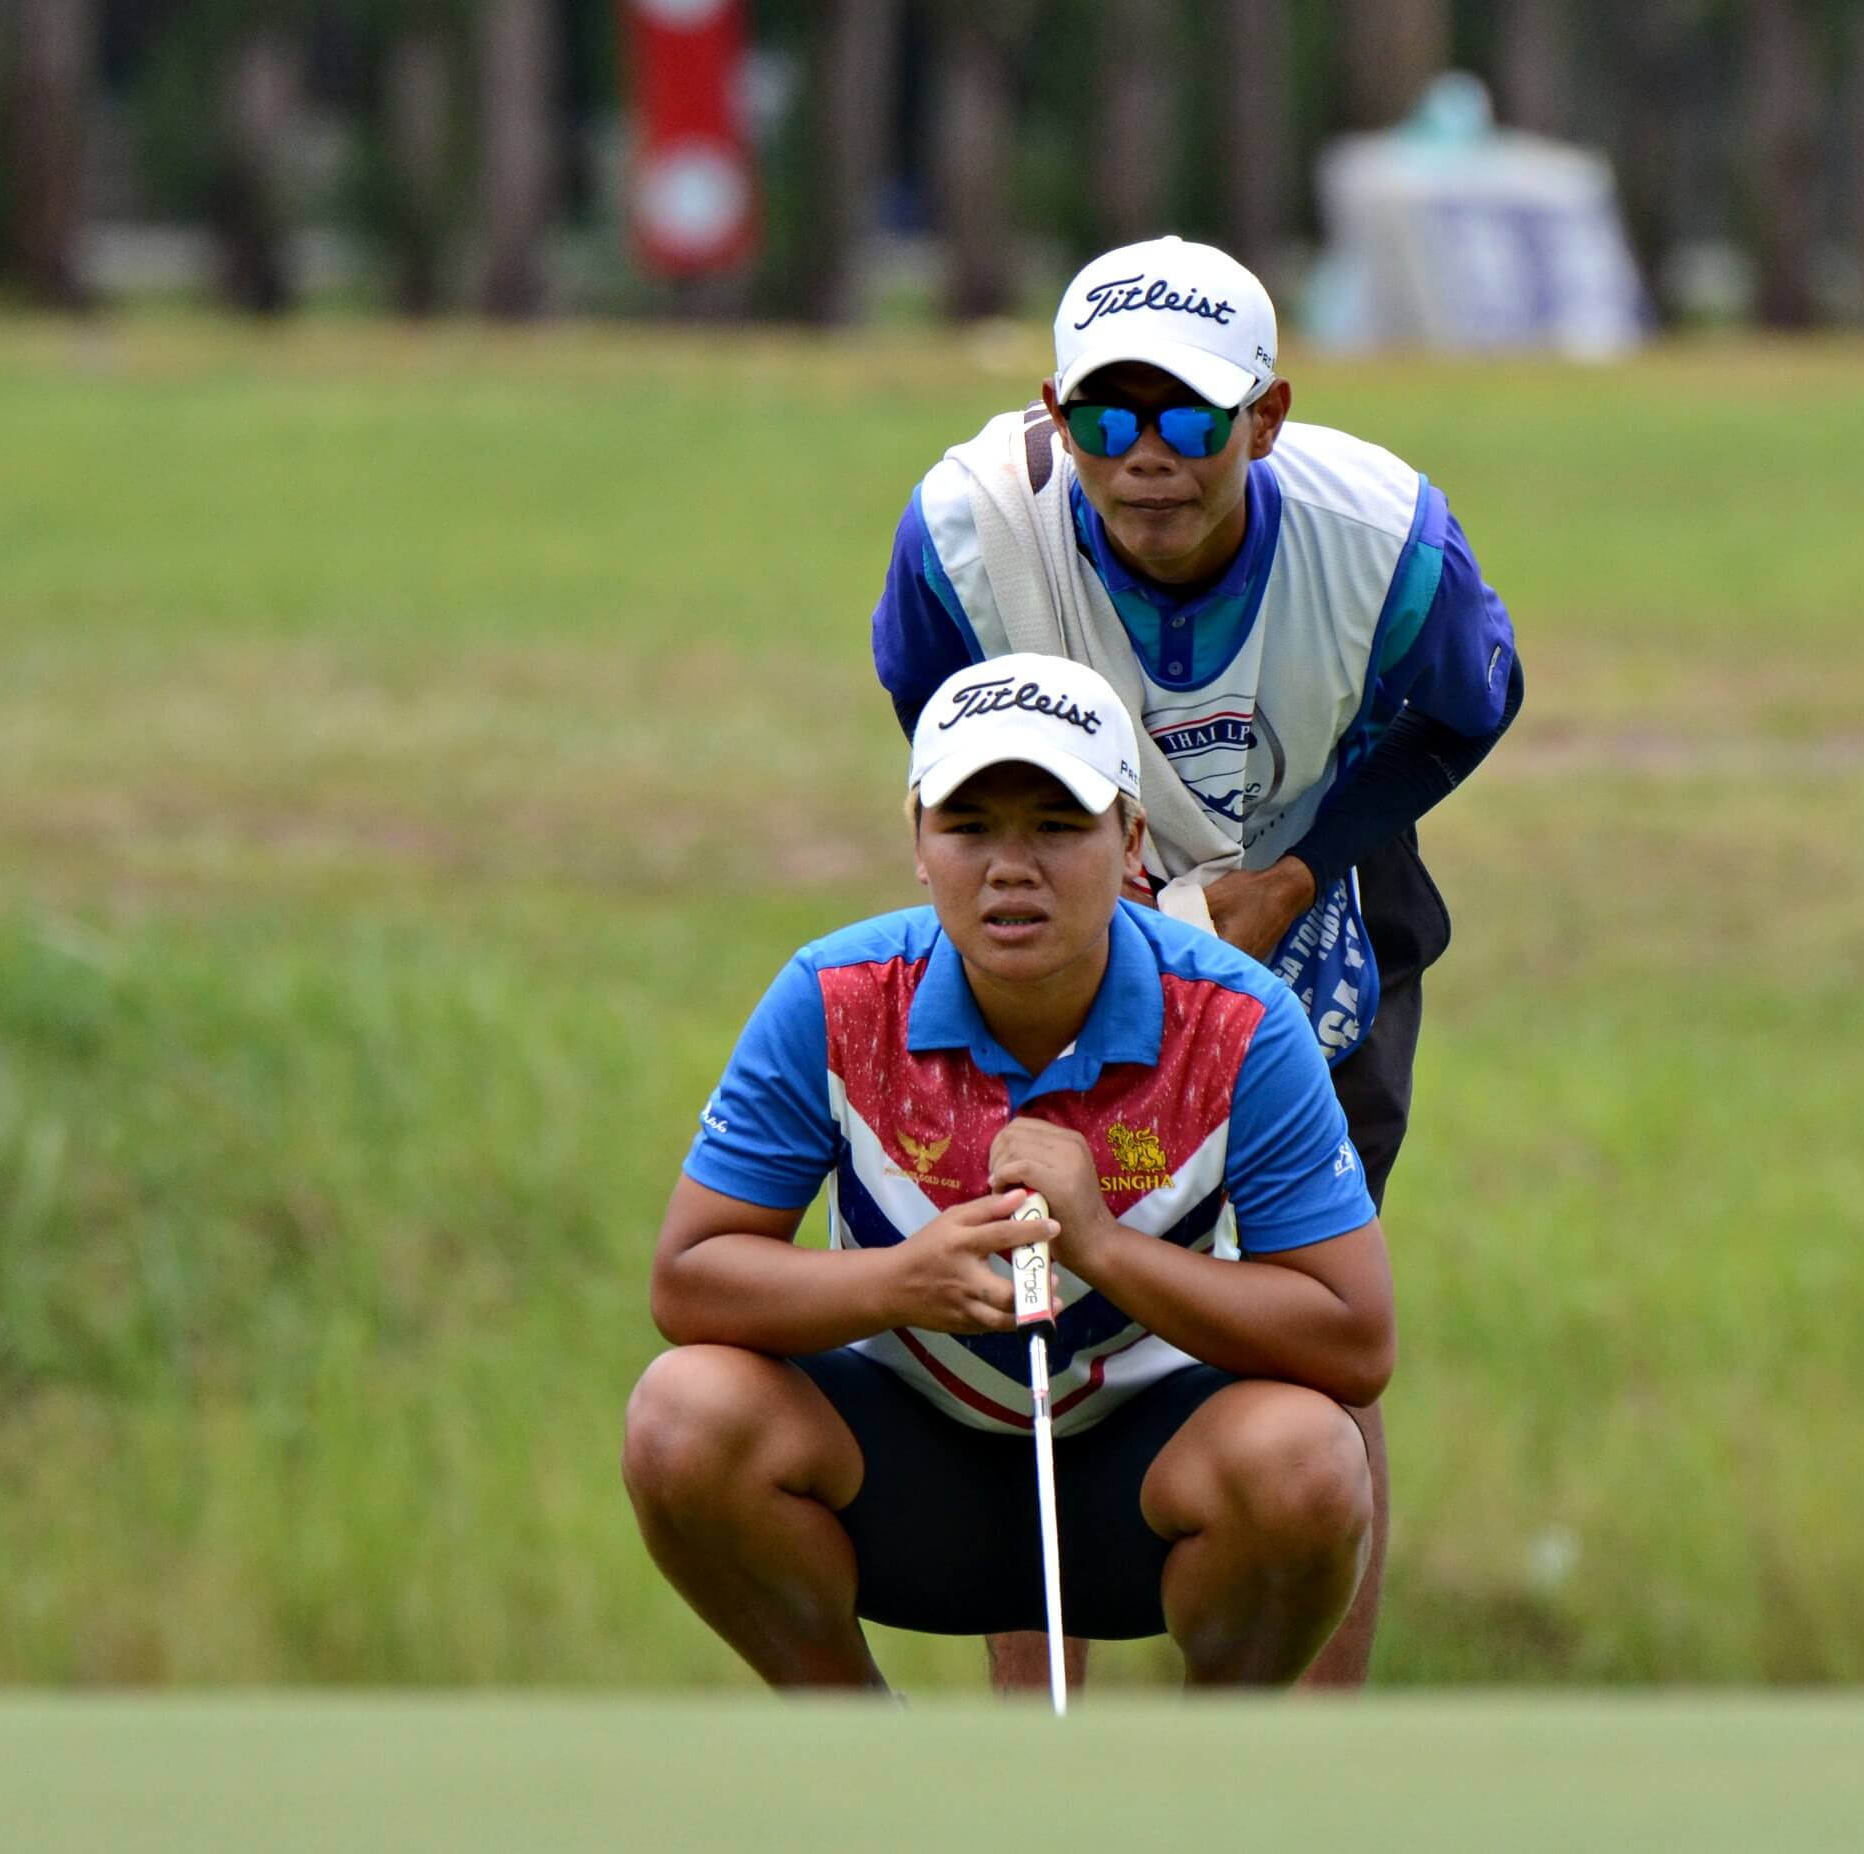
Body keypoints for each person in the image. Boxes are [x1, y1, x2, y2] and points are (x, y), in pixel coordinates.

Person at [869, 235, 1524, 1686]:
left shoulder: (1384, 536)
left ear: (1264, 418)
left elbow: (1473, 701)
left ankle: (1303, 1771)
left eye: (1188, 417)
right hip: (1057, 887)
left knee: (1303, 1320)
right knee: (1032, 1299)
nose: (1145, 456)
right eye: (1106, 415)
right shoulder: (965, 528)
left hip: (1313, 883)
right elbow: (935, 720)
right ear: (1053, 411)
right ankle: (1044, 1772)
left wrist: (1294, 872)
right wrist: (1079, 869)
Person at [621, 654, 1393, 1690]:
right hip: (904, 1479)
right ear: (917, 843)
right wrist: (902, 1282)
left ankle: (1207, 1797)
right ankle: (875, 1779)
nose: (1010, 866)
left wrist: (1105, 1248)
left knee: (1309, 1459)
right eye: (969, 826)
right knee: (683, 1416)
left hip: (1149, 1483)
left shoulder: (1239, 1021)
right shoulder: (836, 997)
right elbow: (689, 1279)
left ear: (1128, 843)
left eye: (1058, 825)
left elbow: (1354, 1339)